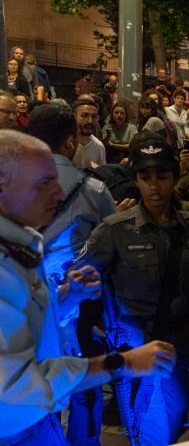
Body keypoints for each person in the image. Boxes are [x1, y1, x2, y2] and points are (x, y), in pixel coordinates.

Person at [0, 130, 175, 445]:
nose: (59, 193)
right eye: (44, 183)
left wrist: (66, 298)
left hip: (39, 424)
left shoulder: (19, 246)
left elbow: (27, 322)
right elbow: (17, 388)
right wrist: (121, 363)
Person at [73, 139, 189, 444]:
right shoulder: (114, 229)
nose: (154, 186)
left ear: (175, 177)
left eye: (162, 177)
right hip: (133, 344)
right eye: (145, 178)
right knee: (144, 428)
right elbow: (78, 281)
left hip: (180, 343)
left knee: (179, 423)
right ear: (136, 180)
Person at [28, 104, 119, 446]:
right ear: (70, 142)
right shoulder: (93, 190)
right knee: (83, 385)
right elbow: (110, 243)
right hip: (80, 309)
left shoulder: (12, 188)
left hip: (29, 308)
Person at [71, 98, 106, 169]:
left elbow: (103, 173)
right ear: (74, 117)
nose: (90, 121)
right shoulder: (65, 144)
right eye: (84, 116)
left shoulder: (99, 146)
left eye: (94, 117)